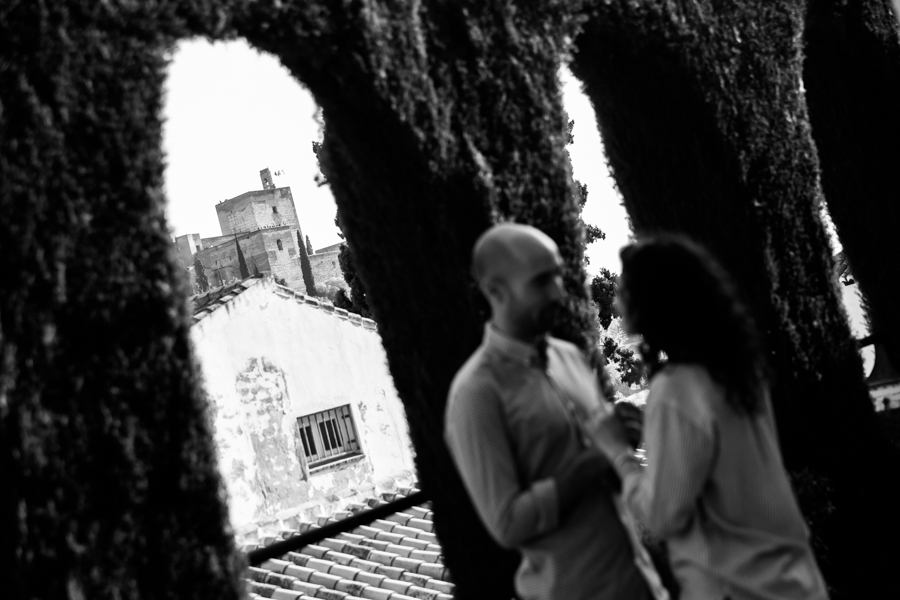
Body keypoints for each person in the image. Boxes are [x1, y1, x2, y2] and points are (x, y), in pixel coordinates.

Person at [583, 236, 829, 600]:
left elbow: (663, 515)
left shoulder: (678, 388)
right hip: (797, 580)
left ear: (654, 301)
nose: (617, 300)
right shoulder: (739, 372)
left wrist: (618, 452)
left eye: (626, 289)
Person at [444, 222, 668, 600]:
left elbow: (609, 457)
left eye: (558, 277)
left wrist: (623, 438)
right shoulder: (475, 394)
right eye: (540, 281)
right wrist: (594, 461)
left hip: (643, 583)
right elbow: (507, 522)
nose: (558, 291)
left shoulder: (568, 356)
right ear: (495, 291)